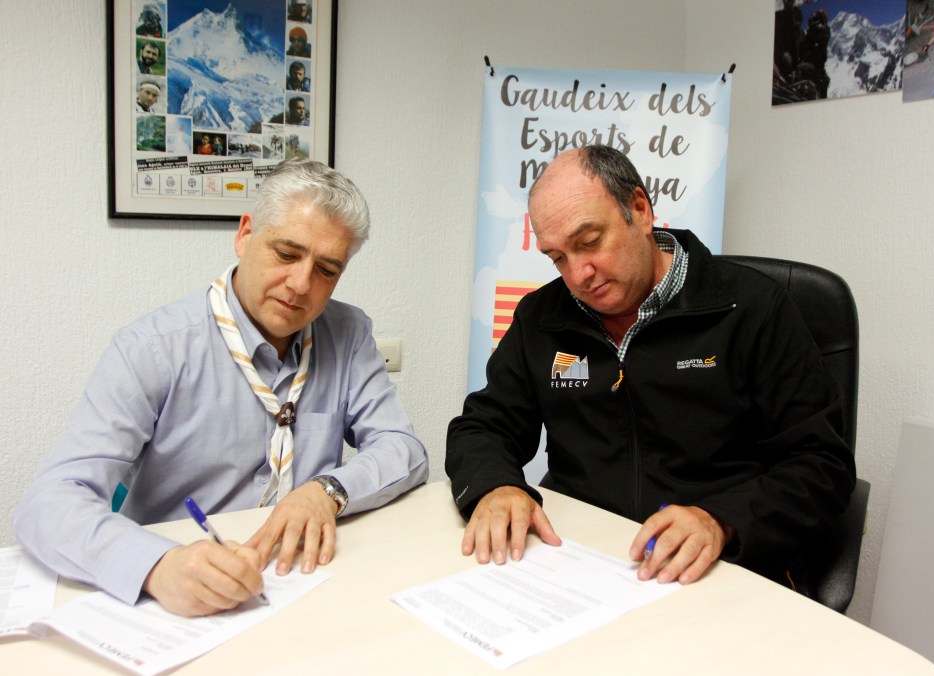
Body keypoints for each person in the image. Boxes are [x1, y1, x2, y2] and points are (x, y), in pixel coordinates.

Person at [15, 158, 429, 617]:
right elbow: (48, 503)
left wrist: (327, 490)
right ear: (245, 234)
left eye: (326, 270)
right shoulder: (153, 348)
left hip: (302, 580)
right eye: (286, 254)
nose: (300, 284)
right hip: (180, 594)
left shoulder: (347, 333)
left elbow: (402, 447)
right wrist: (156, 566)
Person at [446, 146, 855, 593]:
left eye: (590, 241)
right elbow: (483, 426)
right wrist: (496, 486)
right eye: (557, 257)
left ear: (640, 210)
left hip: (720, 565)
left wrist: (721, 519)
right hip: (583, 560)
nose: (579, 274)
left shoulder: (752, 309)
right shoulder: (541, 318)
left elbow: (821, 465)